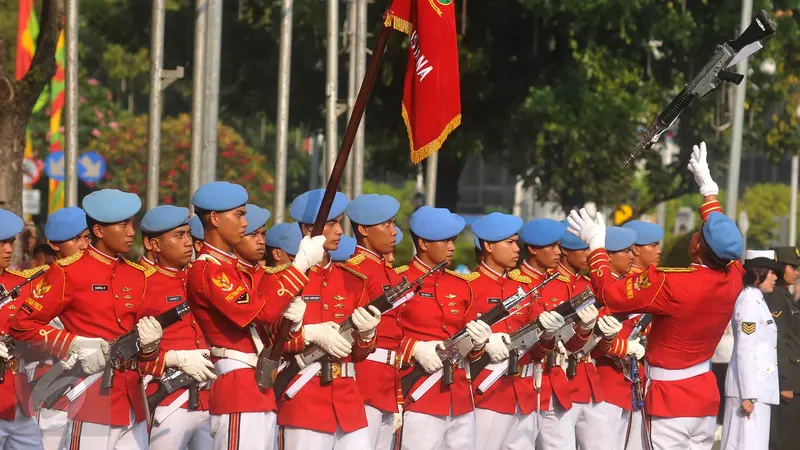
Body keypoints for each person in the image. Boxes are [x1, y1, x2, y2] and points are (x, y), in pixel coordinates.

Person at [568, 141, 745, 449]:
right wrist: (708, 191)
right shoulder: (734, 276)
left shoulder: (672, 283)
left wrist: (596, 245)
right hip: (703, 396)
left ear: (696, 247)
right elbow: (722, 239)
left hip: (669, 399)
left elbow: (610, 294)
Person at [10, 189, 165, 449]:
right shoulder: (67, 273)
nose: (131, 231)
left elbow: (141, 339)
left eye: (132, 223)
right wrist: (73, 343)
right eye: (123, 224)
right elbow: (22, 325)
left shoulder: (138, 276)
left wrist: (150, 348)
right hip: (91, 395)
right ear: (99, 231)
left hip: (132, 397)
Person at [186, 181, 322, 450]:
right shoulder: (210, 271)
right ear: (214, 218)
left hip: (257, 384)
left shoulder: (231, 268)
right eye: (239, 215)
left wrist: (292, 320)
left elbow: (268, 321)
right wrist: (300, 266)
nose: (245, 223)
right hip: (237, 386)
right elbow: (262, 312)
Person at [278, 189, 381, 450]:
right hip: (303, 397)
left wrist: (368, 336)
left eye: (339, 223)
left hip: (348, 402)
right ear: (308, 229)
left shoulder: (353, 280)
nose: (339, 231)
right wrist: (310, 334)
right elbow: (274, 343)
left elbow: (359, 353)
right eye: (332, 223)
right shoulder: (285, 279)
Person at [396, 206, 492, 450]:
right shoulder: (399, 282)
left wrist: (479, 343)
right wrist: (414, 348)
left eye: (453, 240)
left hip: (459, 396)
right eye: (445, 240)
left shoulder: (461, 286)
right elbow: (383, 338)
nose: (452, 246)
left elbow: (472, 351)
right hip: (419, 395)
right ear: (424, 243)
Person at [469, 212, 565, 450]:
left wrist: (549, 334)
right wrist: (484, 343)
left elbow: (539, 348)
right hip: (487, 388)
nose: (516, 248)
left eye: (516, 242)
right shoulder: (469, 285)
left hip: (525, 390)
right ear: (488, 246)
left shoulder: (524, 287)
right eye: (510, 242)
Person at [513, 219, 599, 450]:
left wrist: (585, 329)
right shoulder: (515, 285)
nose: (558, 252)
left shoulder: (558, 284)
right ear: (532, 248)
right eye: (551, 246)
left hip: (554, 380)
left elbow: (570, 344)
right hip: (517, 382)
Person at [138, 205, 217, 450]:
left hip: (207, 398)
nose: (188, 243)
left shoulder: (199, 276)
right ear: (153, 244)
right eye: (178, 236)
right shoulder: (139, 283)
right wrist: (174, 359)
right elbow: (126, 350)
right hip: (167, 398)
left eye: (188, 235)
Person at [342, 193, 403, 450]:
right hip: (364, 376)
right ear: (364, 229)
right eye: (386, 224)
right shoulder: (354, 269)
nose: (394, 231)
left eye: (393, 223)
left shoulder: (387, 270)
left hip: (387, 379)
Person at [36, 206, 91, 449]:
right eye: (75, 239)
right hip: (55, 384)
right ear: (55, 245)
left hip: (97, 387)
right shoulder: (41, 283)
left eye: (87, 237)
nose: (83, 245)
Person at [720, 250, 781, 450]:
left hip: (758, 390)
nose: (775, 277)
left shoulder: (757, 300)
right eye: (770, 272)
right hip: (748, 391)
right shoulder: (748, 302)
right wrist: (748, 395)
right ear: (758, 273)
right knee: (744, 444)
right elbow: (745, 351)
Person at [0, 209, 45, 450]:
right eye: (2, 243)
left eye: (11, 242)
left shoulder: (20, 285)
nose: (9, 249)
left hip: (17, 399)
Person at [762, 246, 800, 450]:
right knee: (785, 441)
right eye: (792, 267)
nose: (796, 272)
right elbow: (779, 341)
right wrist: (785, 382)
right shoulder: (774, 297)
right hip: (786, 383)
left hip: (794, 380)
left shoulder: (785, 296)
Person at [233, 204, 270, 288]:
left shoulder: (270, 277)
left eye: (263, 234)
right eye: (253, 235)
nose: (262, 241)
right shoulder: (225, 274)